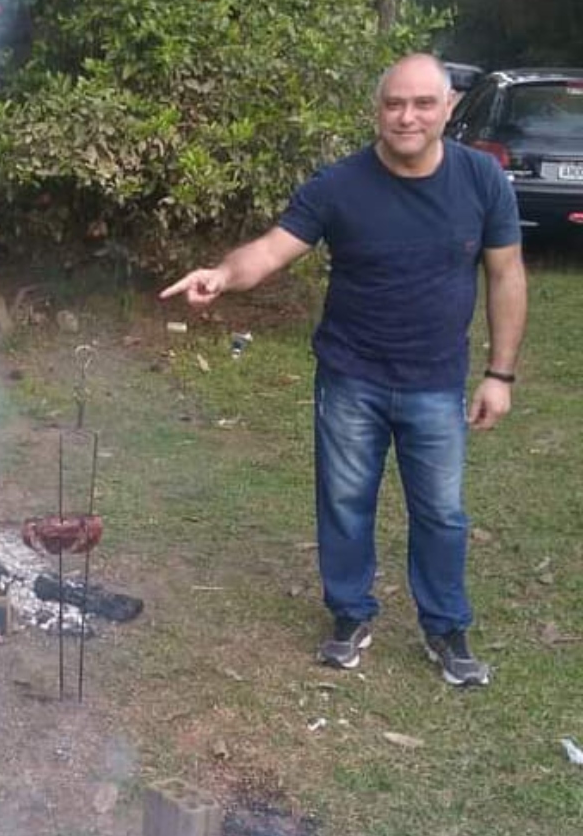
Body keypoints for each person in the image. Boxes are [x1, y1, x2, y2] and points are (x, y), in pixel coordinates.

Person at [159, 54, 527, 687]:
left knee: (441, 512)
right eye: (393, 104)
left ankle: (446, 628)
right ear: (377, 110)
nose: (406, 116)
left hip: (436, 380)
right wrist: (222, 274)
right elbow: (273, 249)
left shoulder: (481, 181)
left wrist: (501, 374)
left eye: (422, 104)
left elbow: (506, 273)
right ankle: (350, 615)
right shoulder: (339, 185)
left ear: (446, 109)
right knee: (346, 503)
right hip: (351, 375)